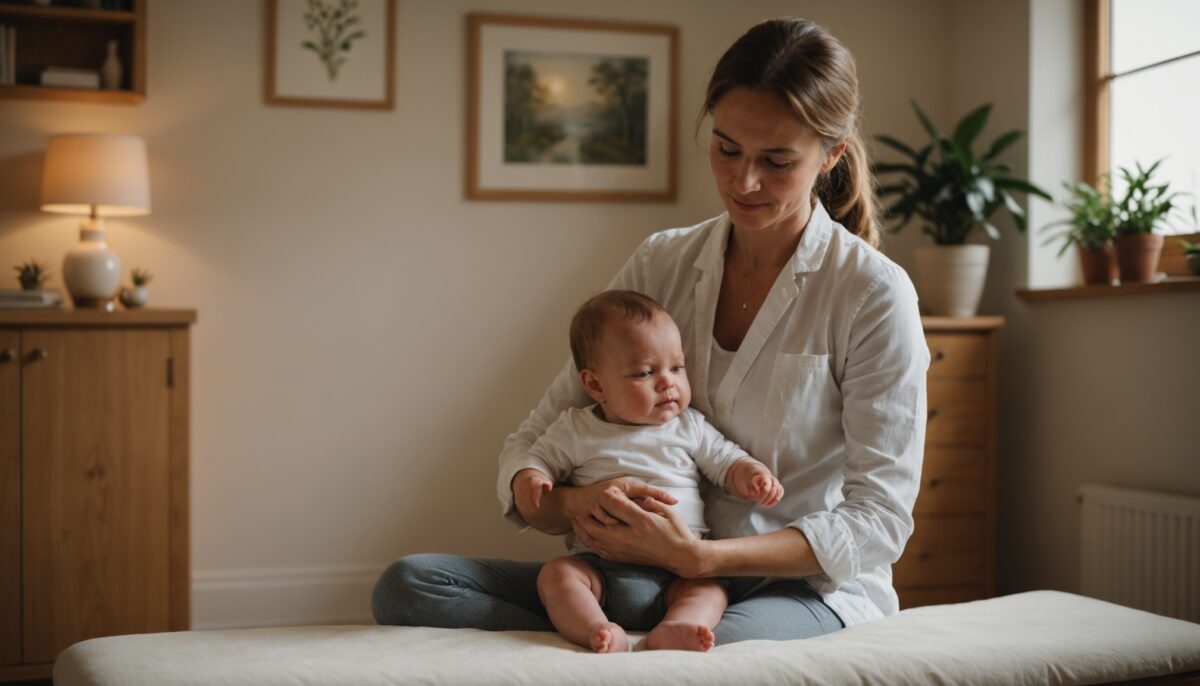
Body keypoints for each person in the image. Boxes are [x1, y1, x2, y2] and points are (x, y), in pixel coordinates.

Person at [372, 16, 929, 644]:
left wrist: (702, 559)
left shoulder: (872, 294)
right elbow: (538, 434)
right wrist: (573, 504)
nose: (743, 182)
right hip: (633, 574)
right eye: (726, 149)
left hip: (787, 586)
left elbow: (879, 520)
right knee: (408, 585)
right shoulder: (662, 262)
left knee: (707, 650)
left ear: (831, 155)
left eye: (776, 161)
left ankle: (635, 641)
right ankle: (616, 634)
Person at [512, 289, 783, 653]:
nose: (668, 382)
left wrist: (751, 474)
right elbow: (539, 457)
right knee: (557, 575)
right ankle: (596, 628)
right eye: (645, 372)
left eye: (677, 368)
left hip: (677, 570)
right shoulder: (577, 428)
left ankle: (674, 626)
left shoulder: (689, 426)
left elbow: (725, 460)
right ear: (595, 385)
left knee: (711, 589)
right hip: (598, 567)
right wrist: (533, 475)